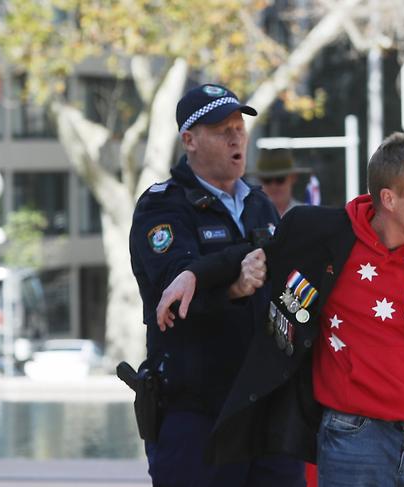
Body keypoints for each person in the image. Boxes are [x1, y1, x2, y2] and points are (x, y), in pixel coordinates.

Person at [156, 133, 404, 487]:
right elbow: (253, 253)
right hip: (351, 436)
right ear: (389, 199)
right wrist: (194, 274)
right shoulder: (318, 233)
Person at [128, 82, 305, 487]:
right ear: (189, 140)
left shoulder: (260, 203)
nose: (235, 137)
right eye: (221, 129)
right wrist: (231, 286)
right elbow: (175, 288)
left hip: (265, 410)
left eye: (239, 127)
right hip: (195, 413)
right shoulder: (162, 205)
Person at [252, 148, 311, 216]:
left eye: (280, 179)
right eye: (267, 180)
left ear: (293, 178)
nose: (273, 186)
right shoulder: (251, 216)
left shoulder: (306, 214)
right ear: (260, 180)